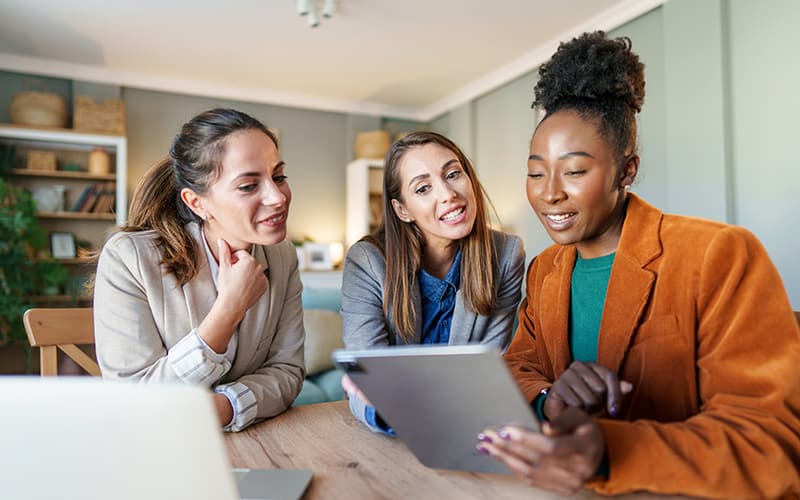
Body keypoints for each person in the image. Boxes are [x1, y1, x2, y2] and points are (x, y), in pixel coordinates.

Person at [478, 31, 800, 498]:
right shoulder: (546, 268)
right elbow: (519, 366)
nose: (548, 193)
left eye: (574, 171)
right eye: (534, 172)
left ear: (625, 171)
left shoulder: (719, 255)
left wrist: (610, 452)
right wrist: (551, 401)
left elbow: (771, 445)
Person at [94, 108, 305, 432]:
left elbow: (288, 371)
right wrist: (229, 308)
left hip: (253, 445)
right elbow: (133, 402)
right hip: (154, 449)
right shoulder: (129, 258)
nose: (278, 197)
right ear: (197, 203)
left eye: (278, 177)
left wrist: (223, 407)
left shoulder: (282, 256)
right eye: (249, 186)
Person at [341, 131, 525, 433]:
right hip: (391, 423)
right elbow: (370, 372)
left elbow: (491, 367)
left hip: (468, 421)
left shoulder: (506, 255)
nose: (448, 194)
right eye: (423, 188)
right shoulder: (367, 261)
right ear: (402, 210)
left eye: (453, 174)